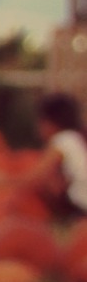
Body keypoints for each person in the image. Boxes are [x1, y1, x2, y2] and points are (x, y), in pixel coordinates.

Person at [41, 93, 87, 224]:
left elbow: (37, 177)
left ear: (49, 122)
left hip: (82, 205)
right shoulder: (78, 138)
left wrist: (1, 181)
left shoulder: (63, 139)